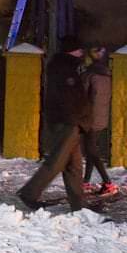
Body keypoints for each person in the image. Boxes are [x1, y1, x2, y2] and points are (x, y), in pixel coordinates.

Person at [16, 35, 91, 212]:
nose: (82, 52)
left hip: (71, 122)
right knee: (57, 162)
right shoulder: (65, 68)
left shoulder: (65, 66)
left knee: (74, 166)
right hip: (68, 122)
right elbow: (70, 98)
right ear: (72, 50)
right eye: (79, 49)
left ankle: (79, 206)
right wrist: (77, 119)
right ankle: (29, 193)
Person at [81, 45, 117, 195]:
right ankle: (86, 182)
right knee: (91, 149)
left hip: (90, 118)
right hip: (101, 117)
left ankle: (108, 183)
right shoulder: (106, 75)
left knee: (91, 150)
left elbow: (81, 95)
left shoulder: (90, 75)